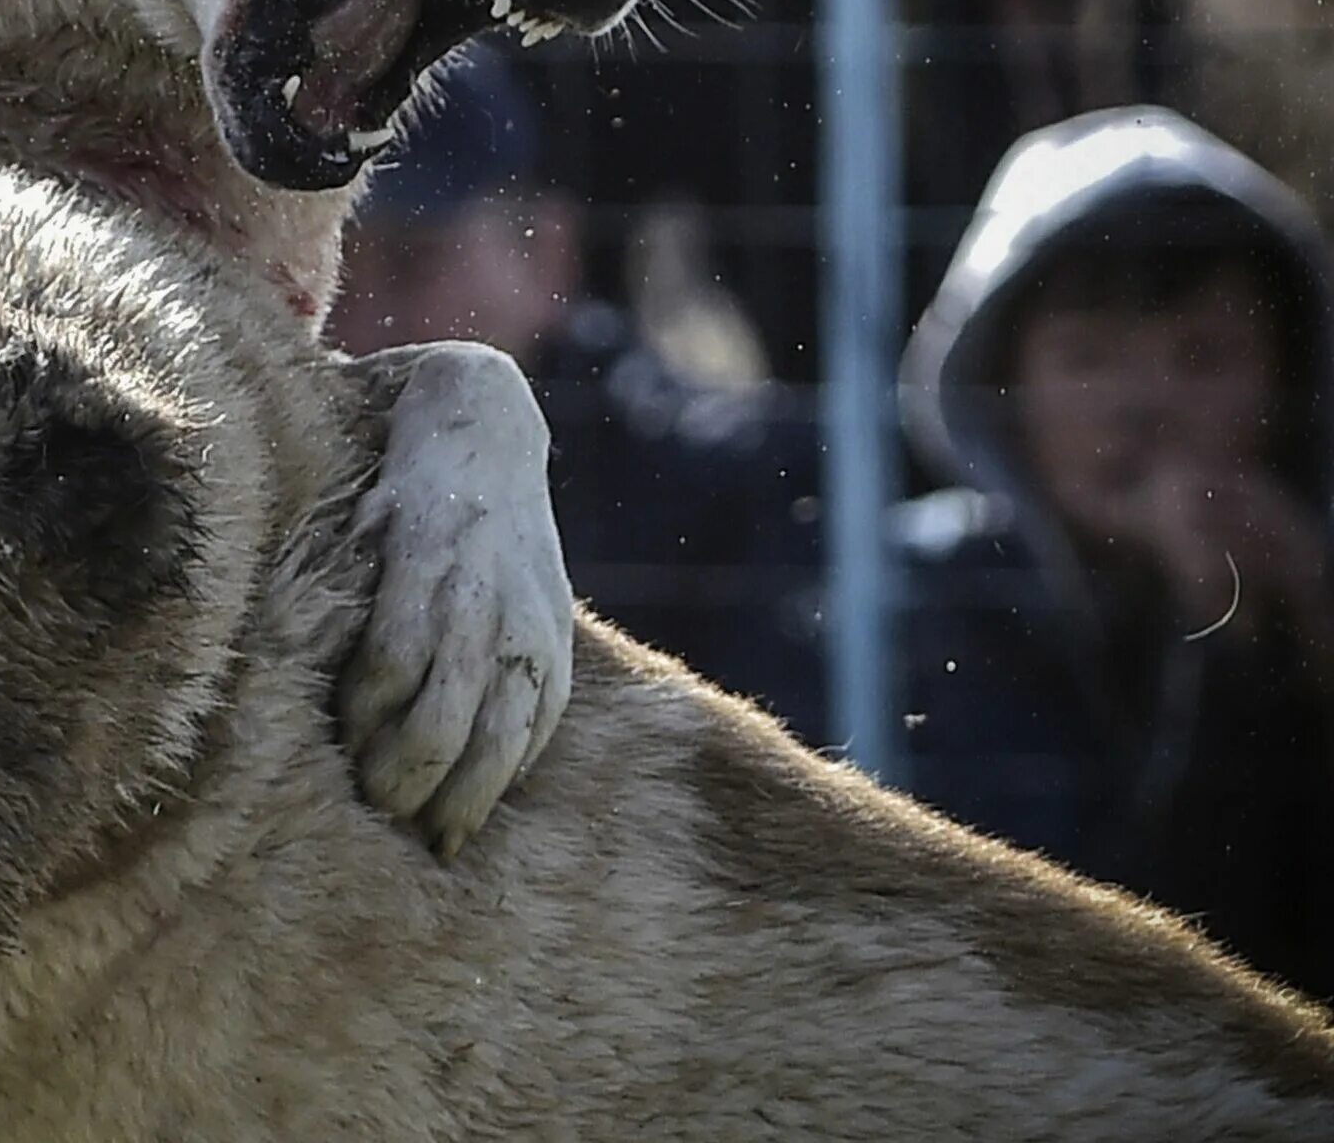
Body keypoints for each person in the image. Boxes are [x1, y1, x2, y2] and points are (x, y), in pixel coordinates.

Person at [896, 105, 1334, 1000]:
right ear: (1004, 389)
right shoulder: (918, 604)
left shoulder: (1318, 599)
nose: (1144, 406)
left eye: (1204, 357)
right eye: (1087, 357)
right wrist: (1227, 656)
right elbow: (1095, 962)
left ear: (1289, 384)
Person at [335, 48, 829, 741]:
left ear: (546, 251)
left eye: (410, 261)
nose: (359, 318)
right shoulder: (281, 471)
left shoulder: (725, 491)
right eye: (331, 263)